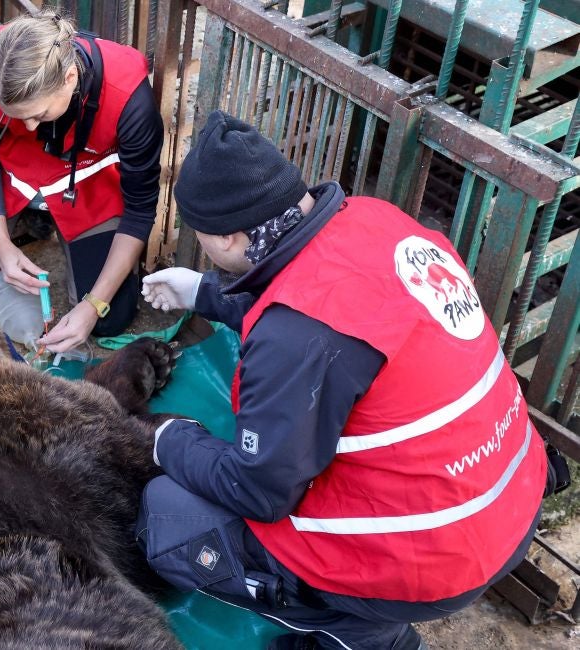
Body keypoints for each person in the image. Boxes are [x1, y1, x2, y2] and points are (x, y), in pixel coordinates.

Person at [136, 110, 547, 650]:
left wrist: (168, 439)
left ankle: (356, 630)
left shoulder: (295, 338)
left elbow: (258, 491)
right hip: (510, 498)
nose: (204, 246)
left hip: (437, 557)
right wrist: (204, 292)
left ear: (231, 237)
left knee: (166, 516)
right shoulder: (378, 221)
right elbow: (332, 300)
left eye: (202, 236)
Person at [0, 10, 163, 353]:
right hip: (8, 174)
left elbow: (140, 210)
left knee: (110, 318)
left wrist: (92, 306)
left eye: (39, 114)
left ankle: (40, 227)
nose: (31, 127)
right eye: (18, 117)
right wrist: (1, 247)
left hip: (85, 186)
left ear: (69, 78)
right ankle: (12, 242)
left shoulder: (130, 98)